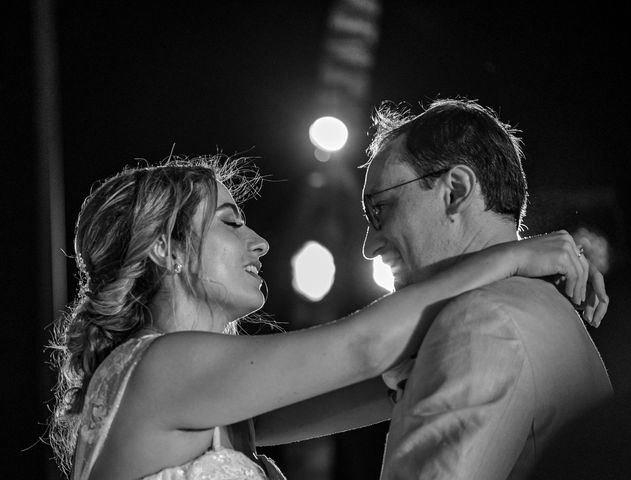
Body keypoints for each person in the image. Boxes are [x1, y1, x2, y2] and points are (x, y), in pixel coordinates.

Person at [49, 156, 602, 480]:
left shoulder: (211, 402)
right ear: (165, 251)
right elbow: (364, 348)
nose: (260, 241)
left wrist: (520, 292)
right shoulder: (162, 366)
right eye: (229, 223)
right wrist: (510, 256)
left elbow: (390, 382)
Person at [360, 98, 613, 480]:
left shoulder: (480, 321)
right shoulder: (543, 311)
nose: (369, 246)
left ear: (455, 191)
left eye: (379, 209)